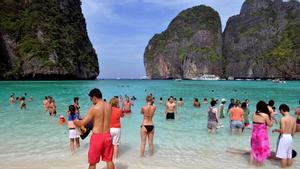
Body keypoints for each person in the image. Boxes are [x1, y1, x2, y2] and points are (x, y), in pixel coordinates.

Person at [74, 88, 115, 169]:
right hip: (107, 136)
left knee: (92, 162)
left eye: (91, 99)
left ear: (94, 97)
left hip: (97, 137)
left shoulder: (94, 108)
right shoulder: (109, 106)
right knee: (109, 160)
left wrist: (75, 122)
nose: (91, 101)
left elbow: (83, 123)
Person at [272, 104, 296, 168]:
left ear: (282, 110)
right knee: (289, 155)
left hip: (284, 137)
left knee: (283, 157)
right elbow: (293, 131)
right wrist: (290, 137)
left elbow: (282, 131)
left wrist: (275, 130)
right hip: (290, 137)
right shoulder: (293, 119)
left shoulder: (283, 119)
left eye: (280, 111)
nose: (280, 113)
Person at [250, 101, 273, 166]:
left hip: (254, 135)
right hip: (261, 136)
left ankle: (250, 166)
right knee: (261, 152)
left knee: (253, 150)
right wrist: (272, 116)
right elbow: (270, 125)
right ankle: (259, 166)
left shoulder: (254, 114)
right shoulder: (265, 115)